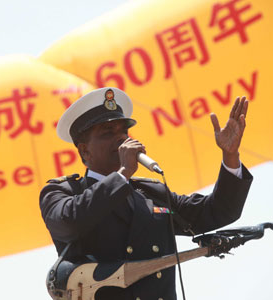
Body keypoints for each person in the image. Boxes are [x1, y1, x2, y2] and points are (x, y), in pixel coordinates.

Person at [40, 87, 253, 300]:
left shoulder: (151, 192)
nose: (121, 138)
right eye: (108, 133)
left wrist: (230, 156)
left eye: (124, 132)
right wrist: (123, 174)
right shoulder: (63, 192)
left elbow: (217, 212)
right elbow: (68, 223)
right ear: (85, 151)